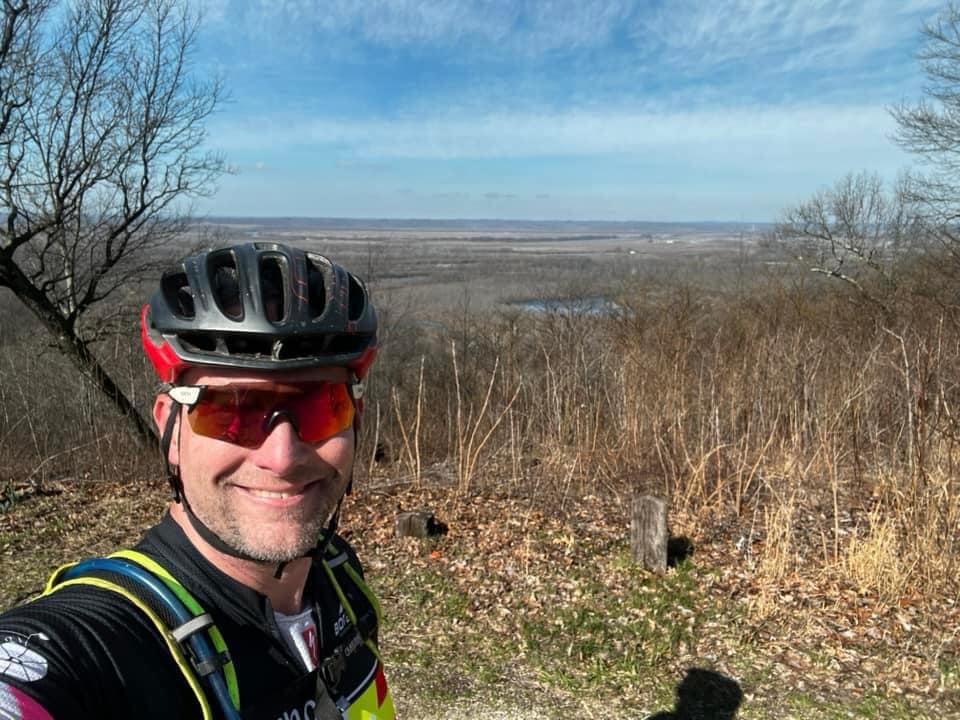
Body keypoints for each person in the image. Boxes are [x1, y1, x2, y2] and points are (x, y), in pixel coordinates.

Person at [0, 242, 395, 720]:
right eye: (230, 412)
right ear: (170, 430)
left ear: (356, 421)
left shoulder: (338, 576)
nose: (282, 457)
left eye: (320, 408)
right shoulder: (110, 641)